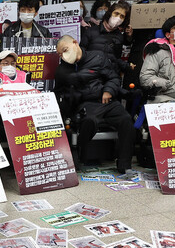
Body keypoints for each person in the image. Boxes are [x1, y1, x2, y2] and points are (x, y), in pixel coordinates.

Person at [55, 35, 135, 173]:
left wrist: (108, 90)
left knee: (126, 120)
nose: (64, 55)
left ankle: (124, 164)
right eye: (60, 54)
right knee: (89, 121)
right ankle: (80, 155)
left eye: (65, 50)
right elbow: (61, 92)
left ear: (75, 43)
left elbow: (113, 77)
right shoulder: (63, 69)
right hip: (85, 104)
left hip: (106, 100)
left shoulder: (98, 57)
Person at [80, 0, 132, 74]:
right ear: (110, 13)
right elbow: (81, 54)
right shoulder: (91, 31)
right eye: (116, 13)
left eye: (122, 16)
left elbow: (116, 59)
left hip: (110, 76)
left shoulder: (119, 36)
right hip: (91, 75)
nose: (118, 18)